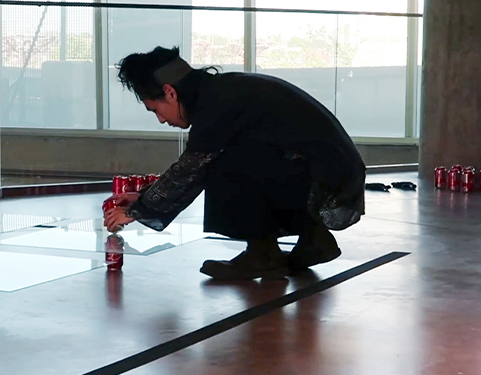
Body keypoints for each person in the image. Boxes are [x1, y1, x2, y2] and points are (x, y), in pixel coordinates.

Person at [103, 46, 366, 280]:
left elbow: (191, 169)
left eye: (155, 110)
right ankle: (313, 239)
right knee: (230, 153)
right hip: (332, 175)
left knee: (220, 159)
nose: (161, 120)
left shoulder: (216, 105)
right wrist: (143, 197)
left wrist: (137, 210)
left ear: (169, 92)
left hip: (327, 182)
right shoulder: (224, 92)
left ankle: (262, 254)